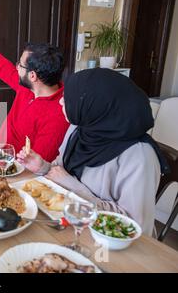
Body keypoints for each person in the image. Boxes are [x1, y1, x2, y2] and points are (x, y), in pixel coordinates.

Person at [17, 68, 169, 235]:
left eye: (69, 98)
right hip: (69, 224)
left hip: (109, 245)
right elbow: (59, 172)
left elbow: (133, 228)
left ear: (95, 104)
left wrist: (73, 187)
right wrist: (43, 167)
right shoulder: (81, 129)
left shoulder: (139, 156)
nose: (61, 102)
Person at [0, 43, 69, 162]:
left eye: (20, 65)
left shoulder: (58, 115)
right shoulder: (30, 87)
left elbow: (37, 163)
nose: (17, 68)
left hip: (17, 170)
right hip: (0, 154)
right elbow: (7, 71)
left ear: (32, 76)